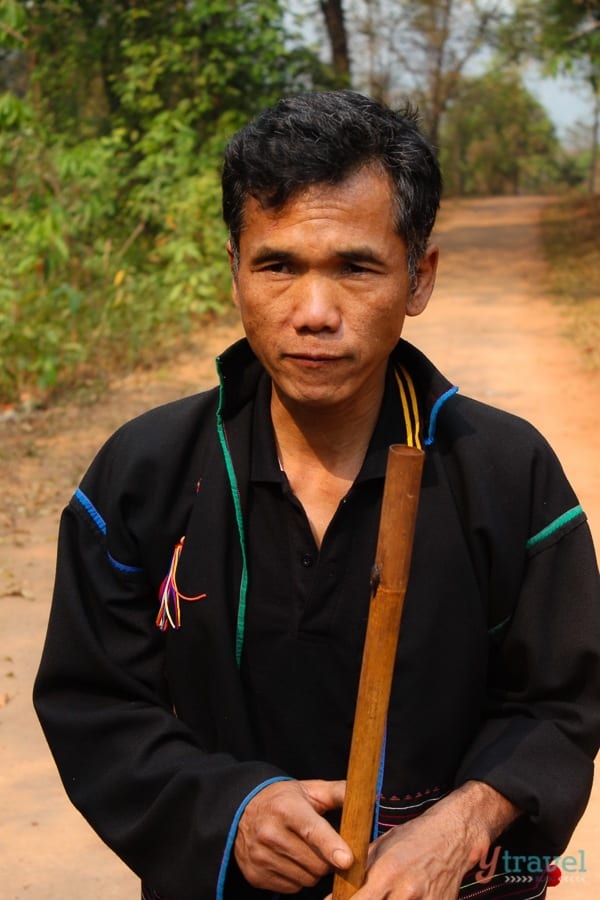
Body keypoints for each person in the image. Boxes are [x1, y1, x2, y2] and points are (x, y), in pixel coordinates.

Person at [34, 90, 600, 900]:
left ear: (419, 275)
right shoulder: (144, 475)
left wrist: (468, 822)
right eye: (278, 266)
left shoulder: (506, 474)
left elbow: (562, 704)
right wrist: (232, 810)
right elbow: (93, 702)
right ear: (233, 269)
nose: (314, 314)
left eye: (356, 266)